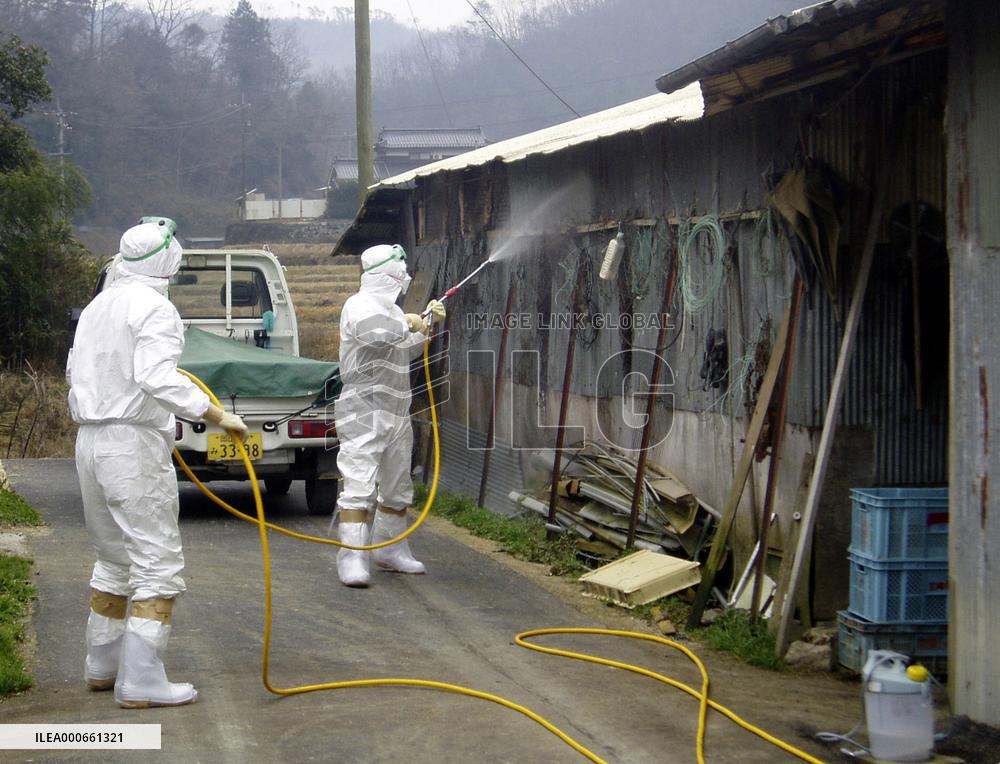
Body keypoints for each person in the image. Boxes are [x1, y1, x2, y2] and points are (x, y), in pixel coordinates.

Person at [67, 219, 248, 708]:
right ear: (170, 261)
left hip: (90, 442)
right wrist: (218, 415)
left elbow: (75, 369)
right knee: (157, 563)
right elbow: (156, 377)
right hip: (132, 446)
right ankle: (141, 682)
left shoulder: (96, 307)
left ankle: (102, 666)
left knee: (113, 559)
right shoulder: (155, 308)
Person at [333, 243, 445, 587]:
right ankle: (352, 558)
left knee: (397, 485)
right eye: (401, 272)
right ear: (386, 274)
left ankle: (389, 549)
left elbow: (402, 350)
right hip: (363, 409)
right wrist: (408, 324)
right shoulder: (358, 306)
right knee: (359, 484)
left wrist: (426, 328)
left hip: (397, 409)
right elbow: (375, 337)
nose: (406, 278)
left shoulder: (395, 311)